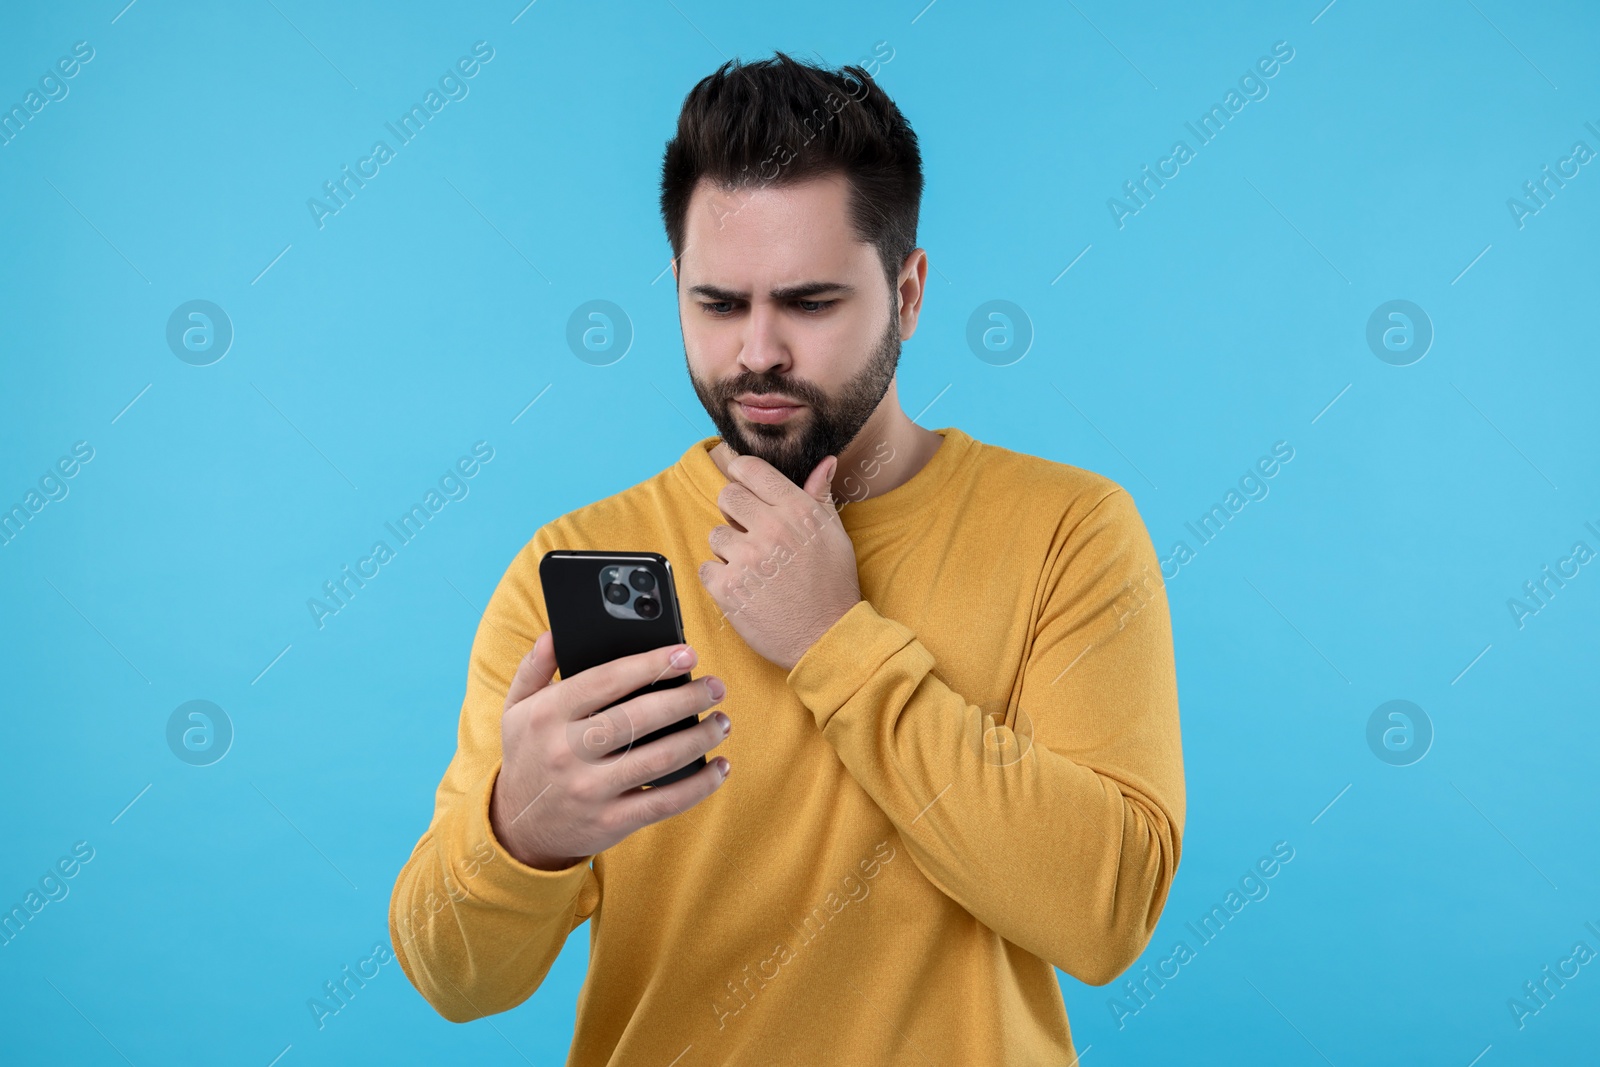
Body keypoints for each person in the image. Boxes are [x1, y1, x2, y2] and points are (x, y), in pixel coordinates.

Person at [389, 51, 1184, 1065]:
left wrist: (832, 638)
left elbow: (1105, 914)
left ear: (908, 290)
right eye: (717, 304)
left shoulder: (1069, 528)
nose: (756, 350)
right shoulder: (581, 559)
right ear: (675, 284)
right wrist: (521, 828)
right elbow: (454, 979)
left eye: (809, 303)